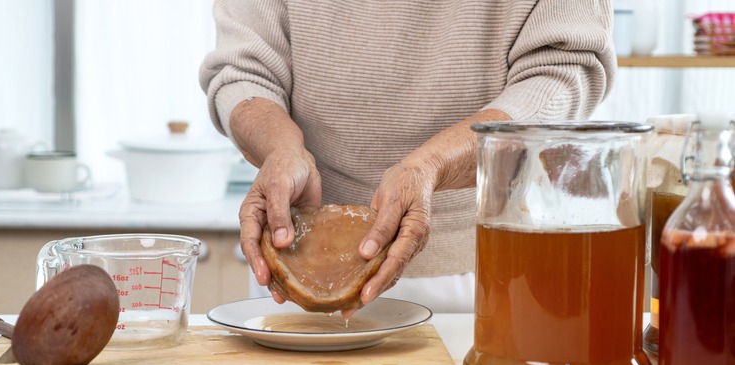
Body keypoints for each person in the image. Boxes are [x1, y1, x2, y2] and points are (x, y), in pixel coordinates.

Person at [199, 0, 616, 316]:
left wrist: (431, 165)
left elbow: (563, 69)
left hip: (484, 270)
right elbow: (243, 73)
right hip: (294, 270)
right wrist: (280, 149)